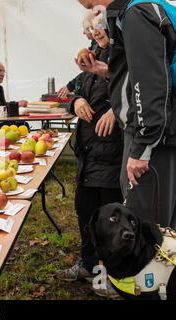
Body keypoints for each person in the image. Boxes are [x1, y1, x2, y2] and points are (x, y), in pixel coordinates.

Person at [76, 0, 176, 229]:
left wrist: (143, 146)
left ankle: (149, 267)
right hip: (160, 135)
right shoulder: (141, 10)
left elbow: (149, 84)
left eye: (92, 4)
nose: (93, 14)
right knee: (164, 227)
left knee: (147, 229)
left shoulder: (135, 14)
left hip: (154, 140)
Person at [55, 23, 124, 298]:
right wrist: (76, 102)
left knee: (110, 220)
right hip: (87, 153)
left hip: (112, 154)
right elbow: (72, 89)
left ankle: (109, 278)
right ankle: (88, 265)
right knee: (85, 213)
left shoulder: (123, 55)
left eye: (101, 25)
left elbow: (141, 90)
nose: (96, 31)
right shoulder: (92, 56)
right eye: (91, 28)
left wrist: (117, 111)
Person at [57, 10, 101, 99]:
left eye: (86, 29)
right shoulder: (95, 46)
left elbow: (92, 73)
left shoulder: (101, 47)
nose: (84, 33)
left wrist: (70, 86)